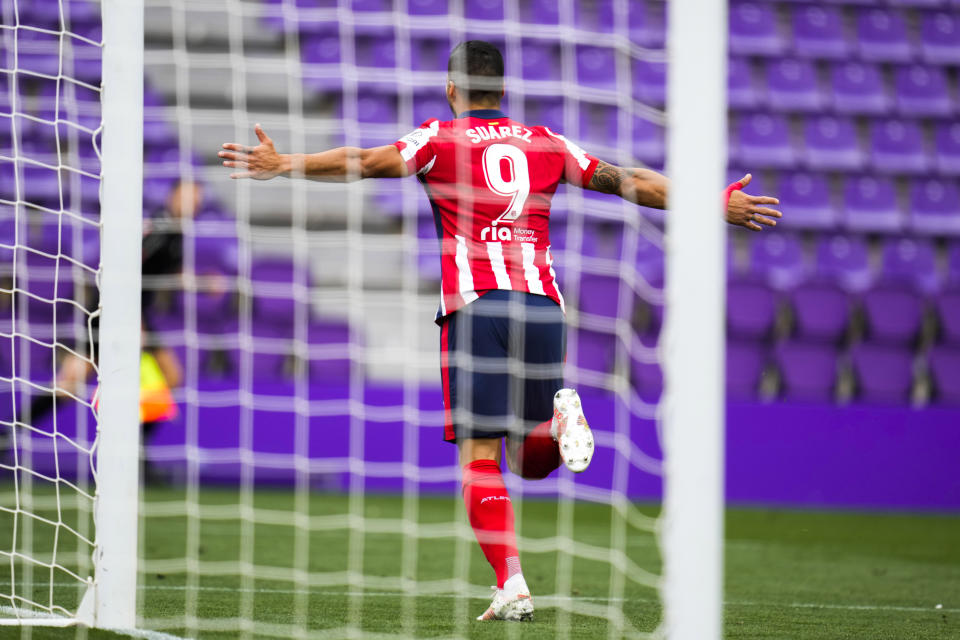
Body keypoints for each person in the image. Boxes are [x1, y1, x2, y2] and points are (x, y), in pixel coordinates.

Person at [218, 40, 781, 622]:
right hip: (542, 306)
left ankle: (511, 580)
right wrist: (712, 202)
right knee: (530, 458)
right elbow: (629, 179)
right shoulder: (546, 143)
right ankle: (559, 420)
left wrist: (286, 164)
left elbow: (364, 161)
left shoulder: (437, 138)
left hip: (476, 307)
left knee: (480, 456)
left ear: (452, 89)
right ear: (504, 91)